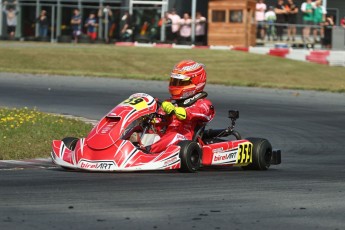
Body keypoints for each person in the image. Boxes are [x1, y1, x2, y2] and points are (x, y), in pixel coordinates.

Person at [147, 60, 215, 154]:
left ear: (196, 82)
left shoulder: (203, 103)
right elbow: (159, 122)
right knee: (145, 131)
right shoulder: (169, 102)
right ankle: (131, 146)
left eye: (180, 82)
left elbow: (202, 113)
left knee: (174, 136)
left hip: (185, 140)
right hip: (164, 137)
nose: (176, 85)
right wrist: (151, 118)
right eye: (174, 82)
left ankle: (147, 152)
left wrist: (181, 112)